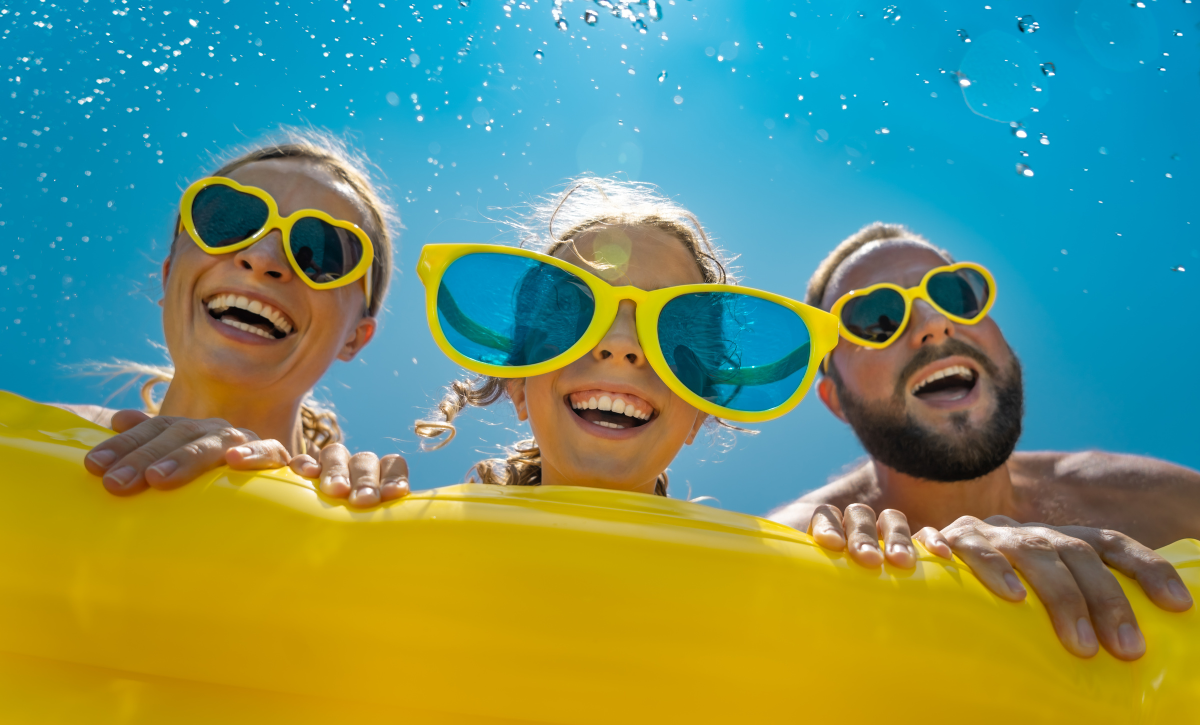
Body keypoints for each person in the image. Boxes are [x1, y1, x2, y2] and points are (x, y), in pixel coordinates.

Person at [769, 222, 1198, 660]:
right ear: (836, 399)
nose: (935, 323)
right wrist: (939, 560)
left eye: (955, 296)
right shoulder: (806, 542)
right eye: (878, 319)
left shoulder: (1156, 499)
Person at [414, 178, 837, 497]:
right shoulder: (419, 548)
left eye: (674, 330)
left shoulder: (754, 579)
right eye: (571, 317)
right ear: (519, 386)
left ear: (698, 413)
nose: (621, 345)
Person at [59, 132, 411, 506]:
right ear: (169, 276)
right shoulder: (39, 435)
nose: (262, 258)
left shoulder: (349, 508)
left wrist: (368, 519)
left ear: (354, 337)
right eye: (228, 222)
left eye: (320, 253)